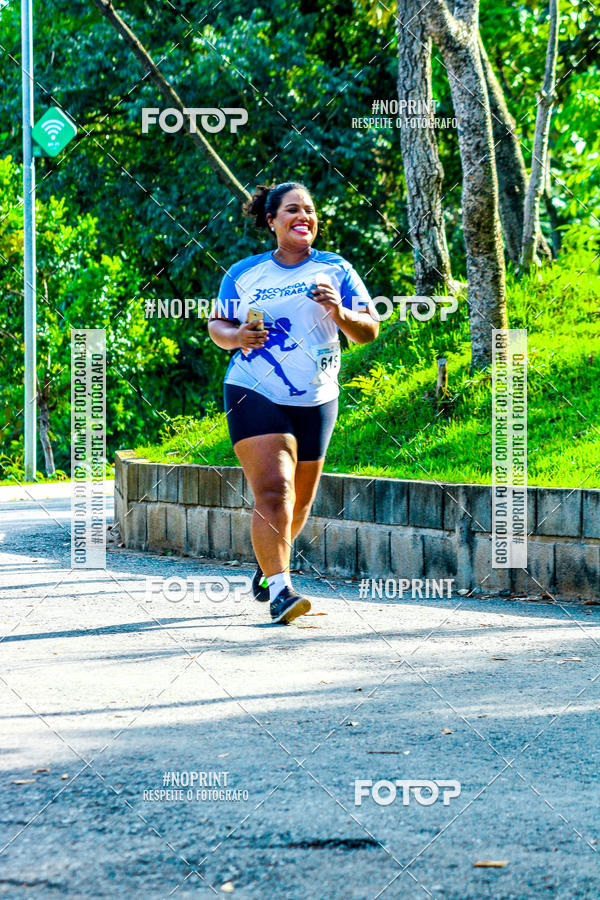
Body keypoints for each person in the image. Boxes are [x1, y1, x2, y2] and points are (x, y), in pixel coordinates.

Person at [208, 182, 378, 624]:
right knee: (274, 491)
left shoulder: (336, 269)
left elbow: (368, 331)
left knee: (300, 505)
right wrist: (238, 337)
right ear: (271, 221)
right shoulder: (245, 274)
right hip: (253, 386)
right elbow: (218, 327)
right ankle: (282, 590)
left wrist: (339, 313)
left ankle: (267, 569)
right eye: (291, 210)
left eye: (309, 209)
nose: (302, 216)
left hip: (318, 395)